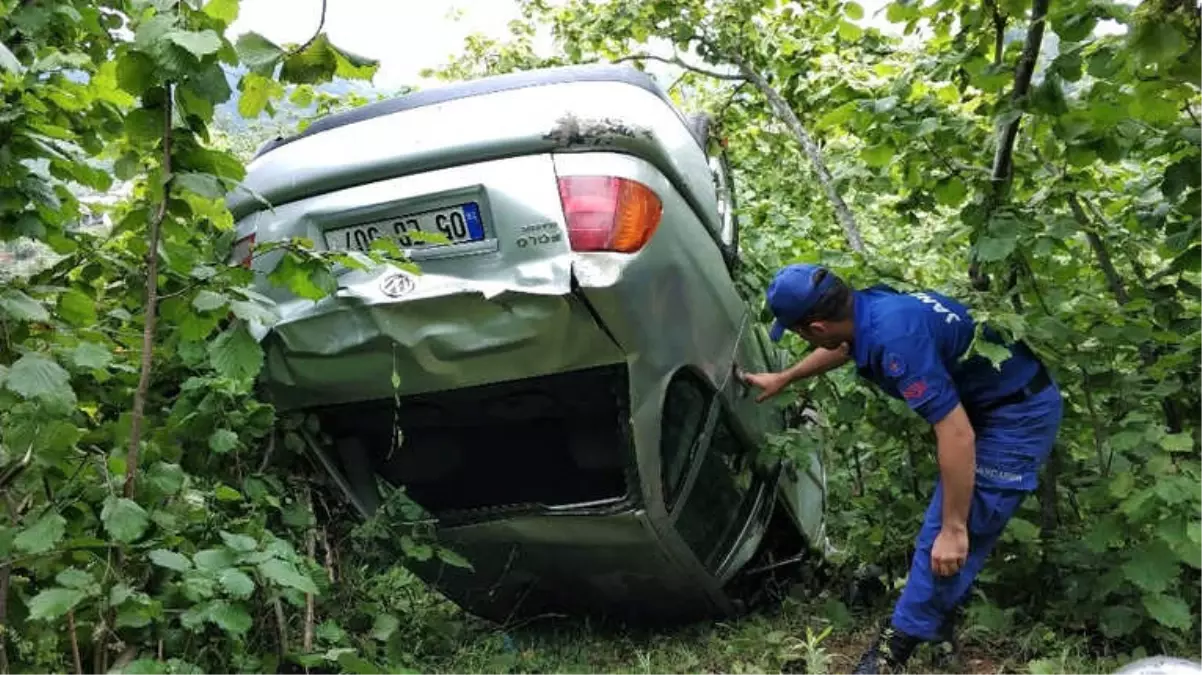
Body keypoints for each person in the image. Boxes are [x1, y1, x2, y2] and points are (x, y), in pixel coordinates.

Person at [741, 263, 1063, 674]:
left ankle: (888, 656)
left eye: (800, 331)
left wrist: (953, 528)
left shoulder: (897, 342)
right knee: (946, 531)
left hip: (1018, 415)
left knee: (947, 539)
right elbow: (843, 347)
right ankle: (938, 630)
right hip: (987, 403)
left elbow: (957, 435)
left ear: (815, 327)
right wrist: (786, 377)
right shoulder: (869, 308)